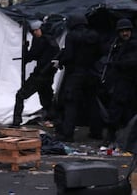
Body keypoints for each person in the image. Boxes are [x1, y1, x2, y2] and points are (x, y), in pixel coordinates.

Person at [55, 14, 104, 142]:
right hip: (91, 73)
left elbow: (69, 56)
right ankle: (96, 132)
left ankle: (68, 134)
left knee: (71, 104)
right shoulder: (94, 35)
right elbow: (100, 53)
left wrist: (60, 62)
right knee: (93, 103)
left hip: (76, 74)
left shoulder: (71, 36)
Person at [12, 20, 60, 126]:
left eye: (35, 31)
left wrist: (25, 49)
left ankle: (16, 120)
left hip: (40, 74)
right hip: (48, 75)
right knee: (46, 98)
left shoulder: (42, 40)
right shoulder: (51, 40)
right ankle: (53, 119)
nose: (34, 33)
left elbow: (32, 55)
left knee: (21, 95)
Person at [103, 18, 137, 146]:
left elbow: (132, 62)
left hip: (130, 83)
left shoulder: (133, 44)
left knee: (126, 113)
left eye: (127, 31)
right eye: (122, 31)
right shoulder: (117, 44)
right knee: (117, 111)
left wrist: (116, 64)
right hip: (120, 83)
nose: (125, 34)